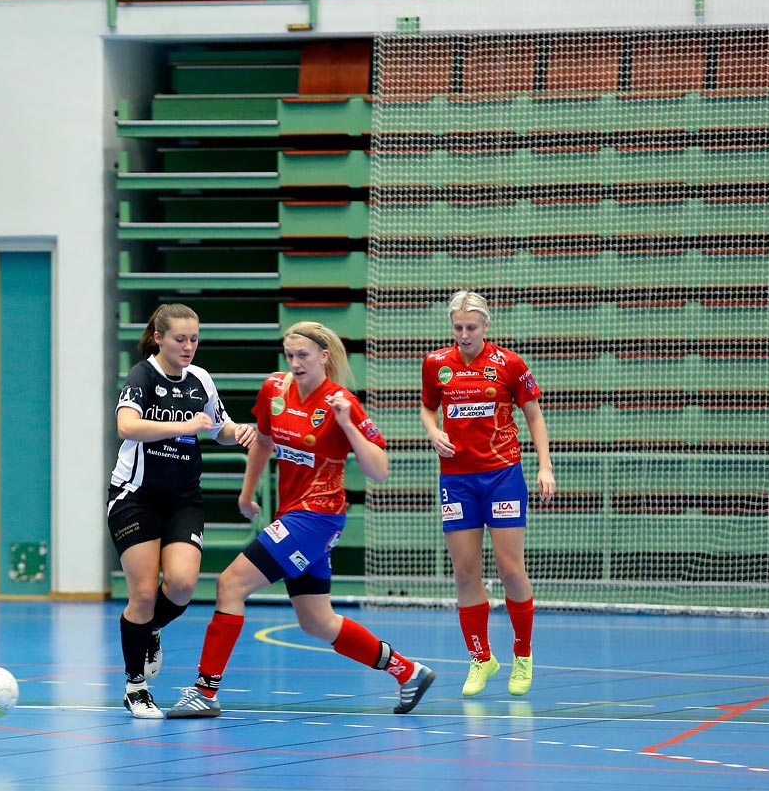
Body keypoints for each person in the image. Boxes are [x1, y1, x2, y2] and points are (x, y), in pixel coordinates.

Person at [166, 321, 435, 719]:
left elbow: (379, 470)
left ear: (324, 357)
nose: (295, 363)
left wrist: (347, 425)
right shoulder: (274, 389)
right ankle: (408, 672)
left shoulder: (341, 402)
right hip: (292, 514)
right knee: (316, 621)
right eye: (290, 355)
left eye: (303, 356)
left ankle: (205, 692)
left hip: (318, 517)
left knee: (230, 584)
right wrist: (247, 491)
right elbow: (262, 440)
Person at [109, 303, 256, 719]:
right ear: (159, 338)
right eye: (180, 339)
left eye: (194, 339)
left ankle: (151, 629)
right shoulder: (143, 376)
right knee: (141, 592)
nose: (189, 346)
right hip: (135, 496)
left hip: (183, 499)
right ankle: (135, 687)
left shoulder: (200, 380)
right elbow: (127, 426)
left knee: (181, 585)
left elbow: (218, 428)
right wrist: (182, 426)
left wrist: (237, 432)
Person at [419, 290, 555, 698]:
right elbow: (428, 407)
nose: (463, 335)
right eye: (457, 327)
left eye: (471, 328)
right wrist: (433, 430)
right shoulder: (436, 364)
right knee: (465, 573)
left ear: (486, 326)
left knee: (511, 569)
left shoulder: (508, 364)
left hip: (502, 476)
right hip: (457, 480)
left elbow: (533, 414)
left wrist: (545, 466)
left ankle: (523, 654)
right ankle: (481, 658)